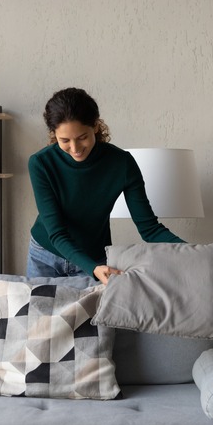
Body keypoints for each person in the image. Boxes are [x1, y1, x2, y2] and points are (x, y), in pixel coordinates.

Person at [27, 87, 185, 285]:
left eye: (82, 137)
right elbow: (57, 233)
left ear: (95, 126)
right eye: (64, 140)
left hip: (94, 259)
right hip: (45, 255)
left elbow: (149, 228)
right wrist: (92, 268)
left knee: (92, 317)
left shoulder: (122, 163)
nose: (75, 149)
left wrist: (194, 252)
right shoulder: (41, 163)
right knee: (37, 316)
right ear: (54, 134)